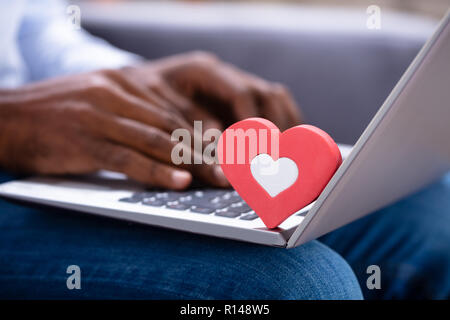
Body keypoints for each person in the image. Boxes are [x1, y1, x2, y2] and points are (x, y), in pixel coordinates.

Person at [0, 0, 448, 300]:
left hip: (54, 145)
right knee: (298, 284)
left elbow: (37, 35)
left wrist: (137, 84)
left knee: (434, 219)